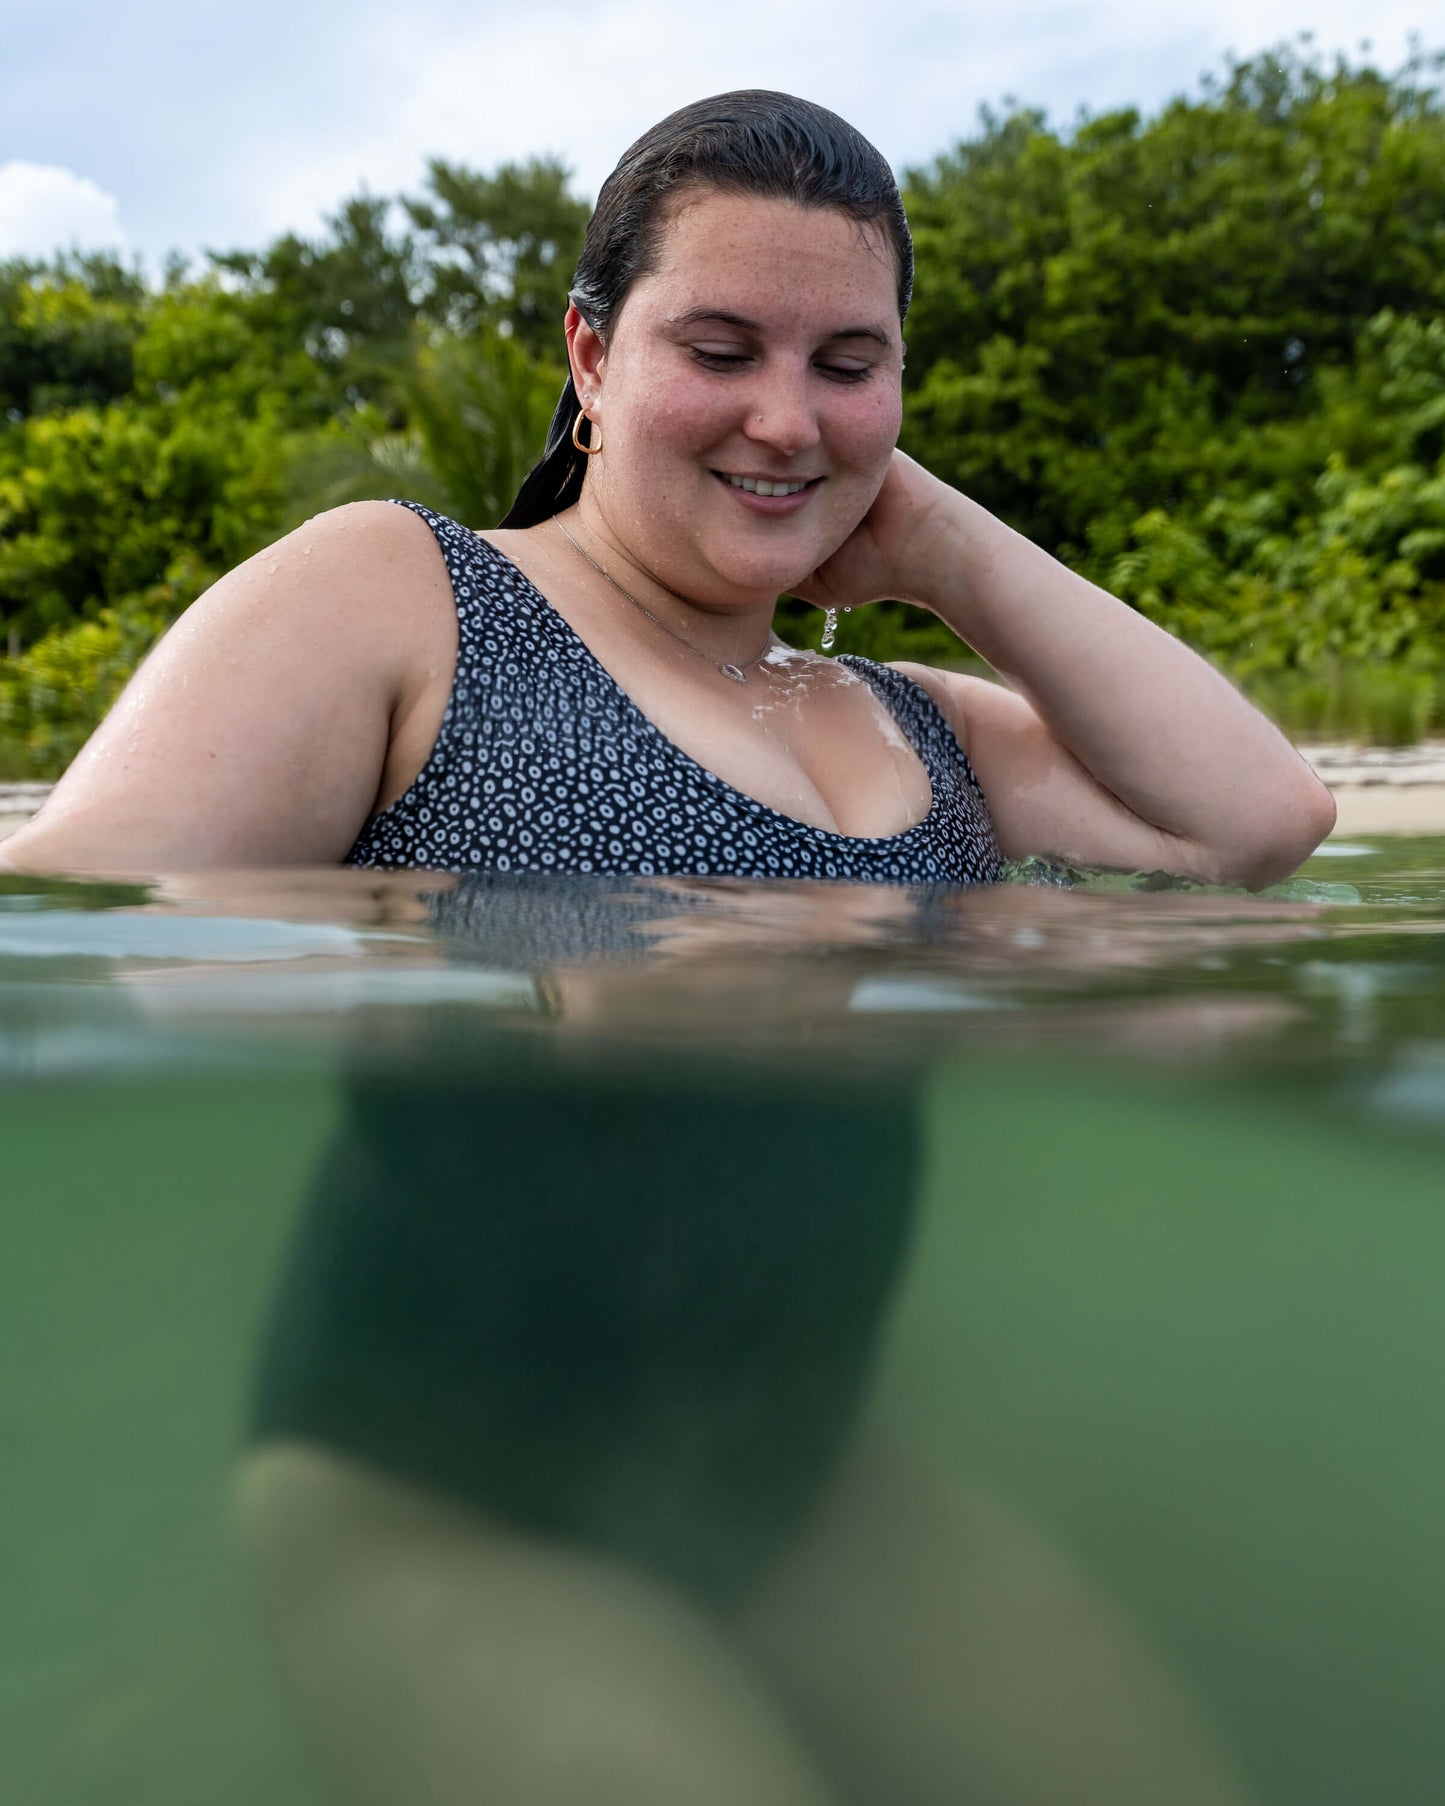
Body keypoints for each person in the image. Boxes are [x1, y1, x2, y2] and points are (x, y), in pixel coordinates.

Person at [0, 95, 1332, 889]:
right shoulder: (403, 596)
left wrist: (939, 544)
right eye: (719, 350)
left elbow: (1258, 826)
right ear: (592, 354)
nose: (786, 418)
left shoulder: (917, 725)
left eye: (848, 364)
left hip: (799, 1372)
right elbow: (76, 932)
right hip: (453, 1367)